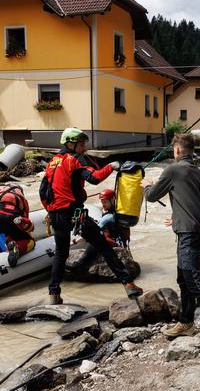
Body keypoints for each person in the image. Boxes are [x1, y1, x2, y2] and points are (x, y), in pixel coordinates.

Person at [142, 134, 200, 357]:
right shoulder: (197, 171)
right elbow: (191, 201)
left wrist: (147, 185)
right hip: (195, 229)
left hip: (188, 233)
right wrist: (177, 216)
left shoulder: (173, 170)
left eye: (174, 149)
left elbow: (151, 196)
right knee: (184, 279)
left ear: (177, 150)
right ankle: (186, 322)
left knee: (194, 281)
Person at [41, 127, 143, 305]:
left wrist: (52, 211)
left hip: (56, 215)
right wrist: (111, 166)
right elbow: (94, 178)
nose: (84, 148)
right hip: (74, 214)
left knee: (61, 254)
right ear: (70, 144)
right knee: (103, 245)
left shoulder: (52, 163)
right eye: (81, 145)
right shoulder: (74, 159)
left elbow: (43, 191)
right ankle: (128, 284)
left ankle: (54, 294)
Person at [67, 188, 130, 274]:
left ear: (112, 200)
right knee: (97, 237)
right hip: (118, 242)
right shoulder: (119, 212)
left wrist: (72, 243)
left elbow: (93, 233)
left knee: (95, 239)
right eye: (102, 202)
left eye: (105, 202)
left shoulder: (108, 217)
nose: (103, 205)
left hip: (114, 242)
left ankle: (80, 264)